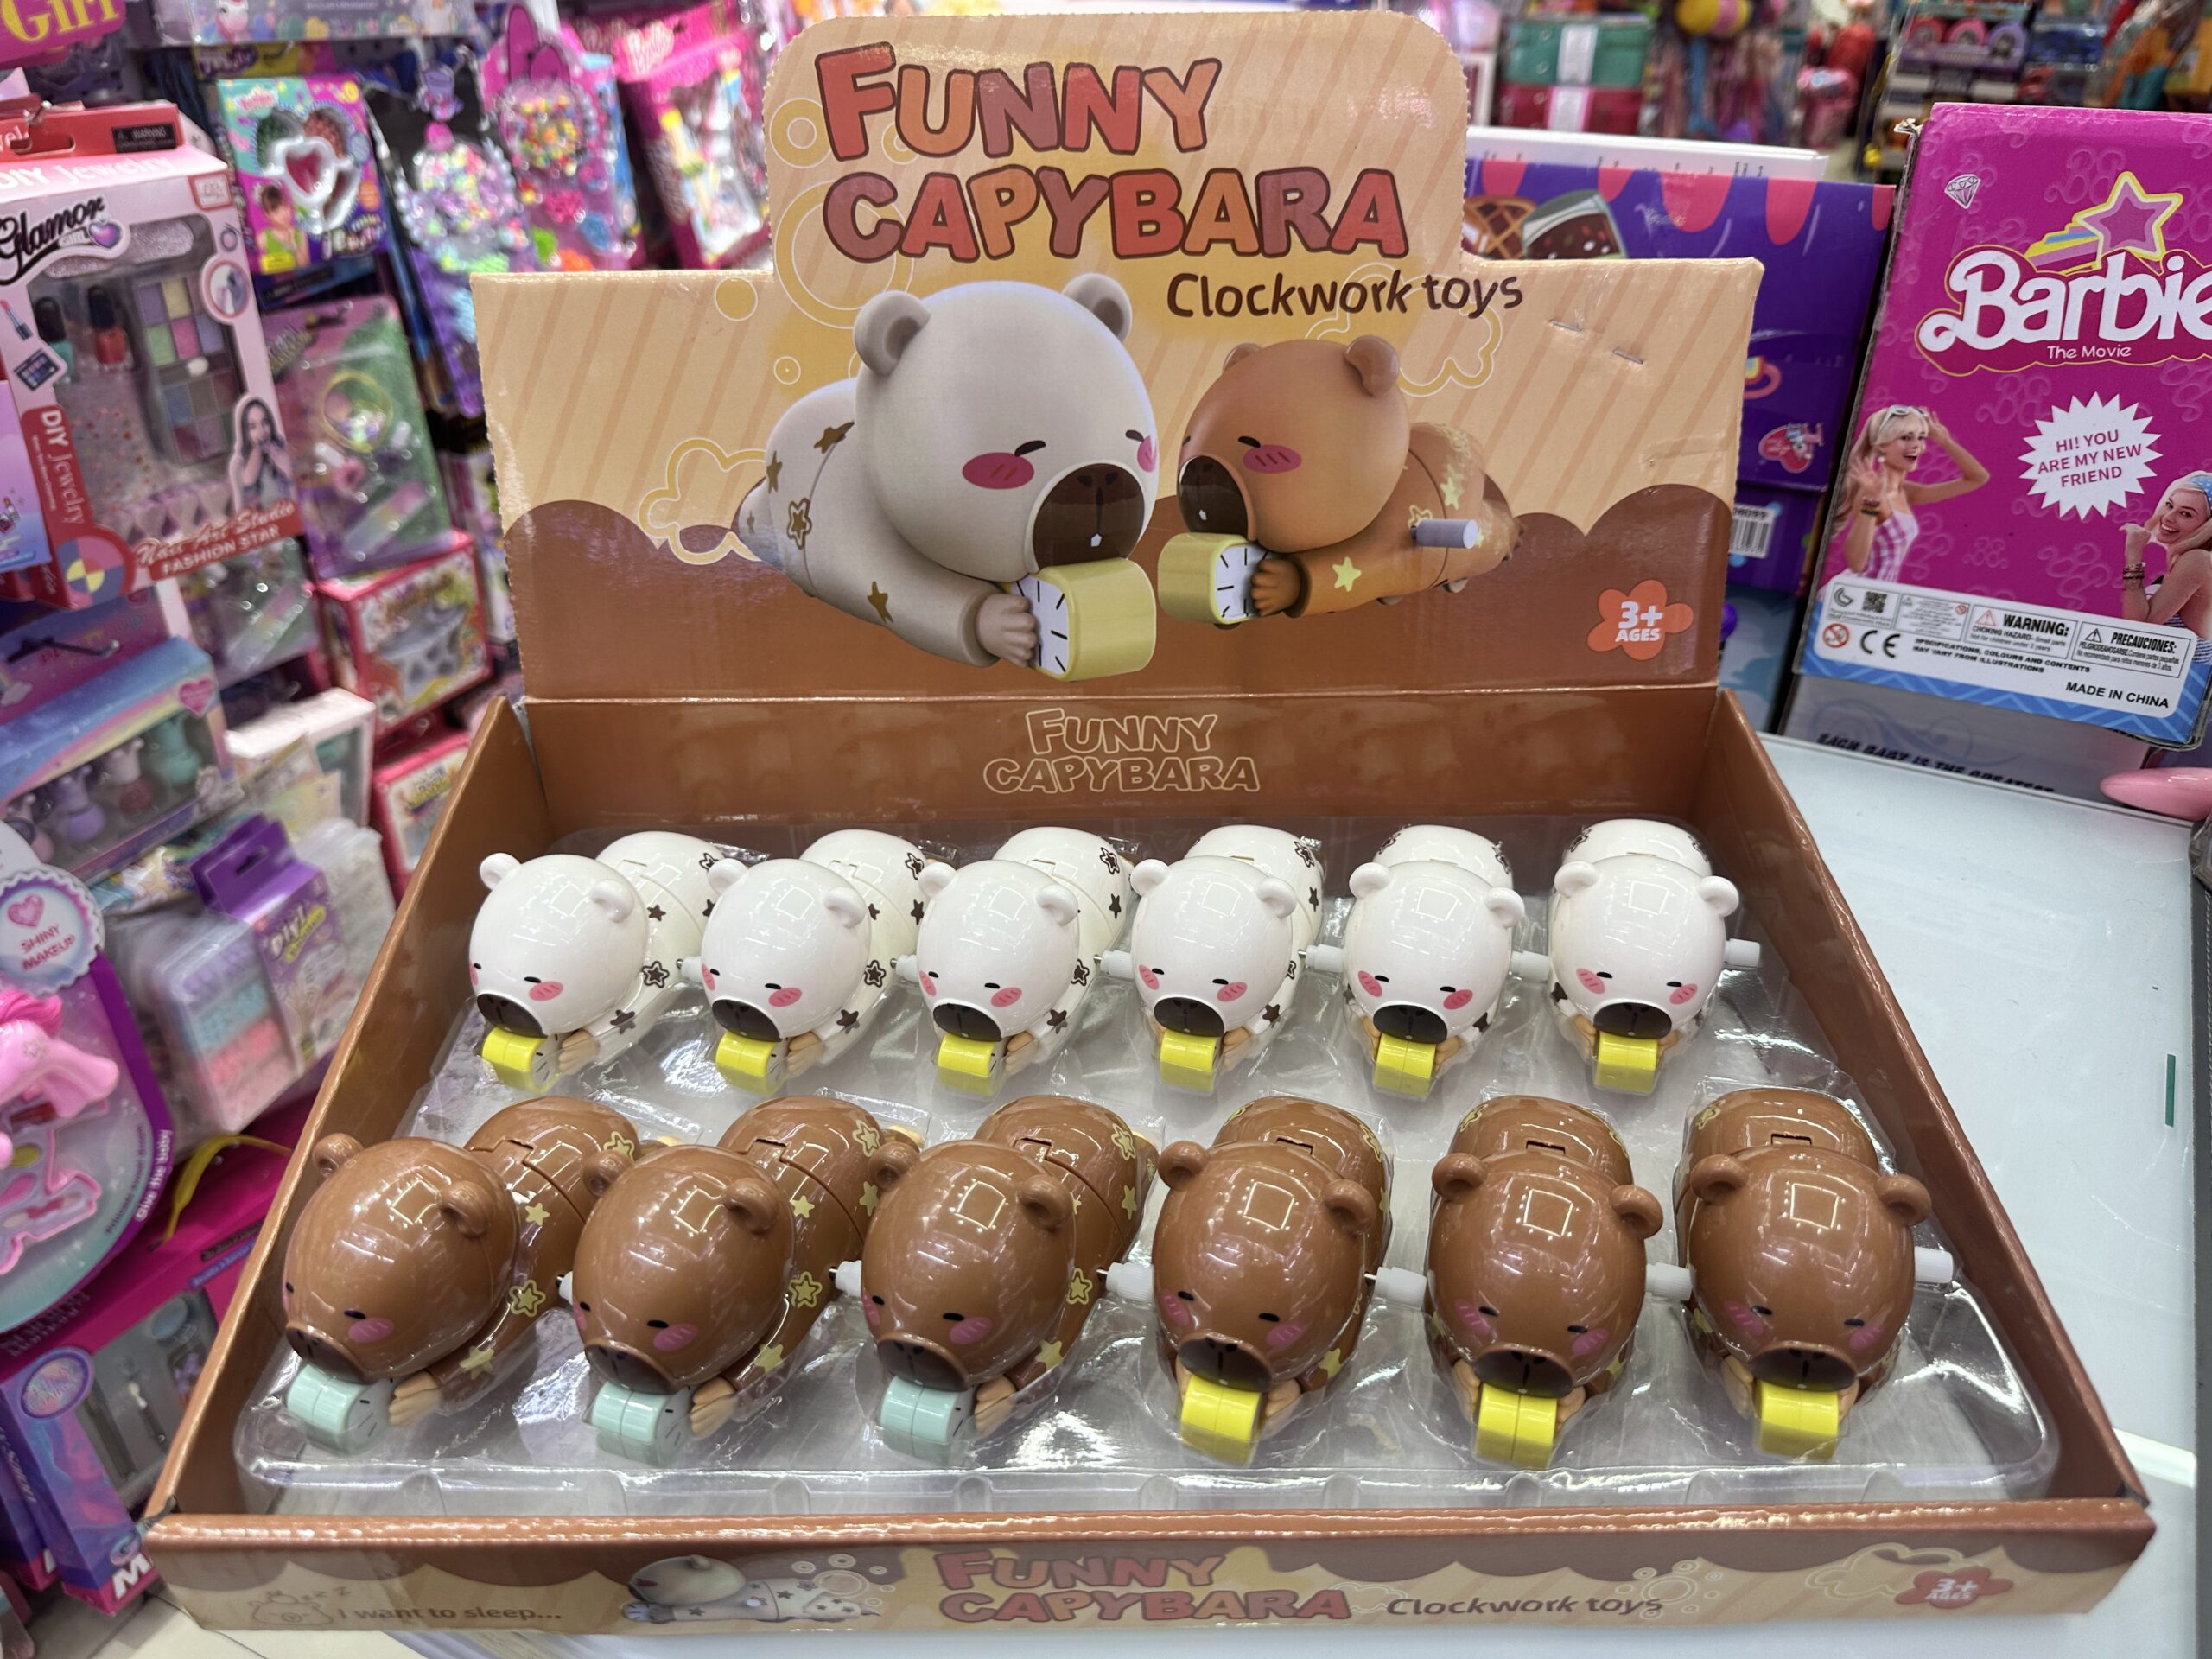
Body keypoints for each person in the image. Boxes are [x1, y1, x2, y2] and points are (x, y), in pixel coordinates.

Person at [1830, 404, 1988, 582]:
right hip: (1856, 592)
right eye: (1906, 438)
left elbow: (1978, 478)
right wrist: (1871, 500)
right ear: (1882, 446)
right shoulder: (1873, 493)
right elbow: (1856, 564)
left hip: (1881, 592)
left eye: (1921, 437)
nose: (1916, 445)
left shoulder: (1906, 492)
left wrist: (1945, 441)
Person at [2121, 472, 2212, 639]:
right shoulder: (2191, 559)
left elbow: (2140, 624)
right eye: (2170, 505)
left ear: (2207, 526)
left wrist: (2133, 554)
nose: (2168, 517)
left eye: (2186, 514)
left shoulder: (2197, 559)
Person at [230, 398, 294, 509]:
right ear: (245, 432)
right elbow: (240, 511)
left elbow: (300, 502)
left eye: (265, 422)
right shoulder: (238, 465)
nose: (261, 431)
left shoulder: (284, 453)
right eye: (253, 427)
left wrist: (288, 473)